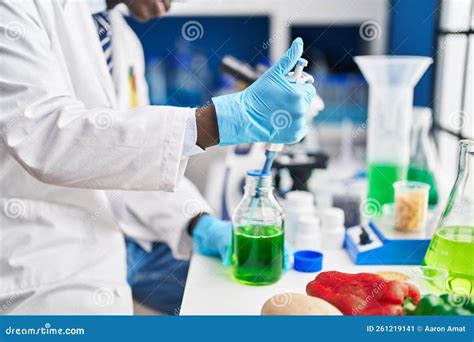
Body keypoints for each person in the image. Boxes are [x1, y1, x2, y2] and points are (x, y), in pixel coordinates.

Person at [0, 0, 316, 314]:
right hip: (38, 260)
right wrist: (213, 123)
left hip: (111, 242)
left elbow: (124, 160)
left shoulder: (123, 41)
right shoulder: (17, 8)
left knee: (232, 302)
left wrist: (197, 222)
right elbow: (47, 139)